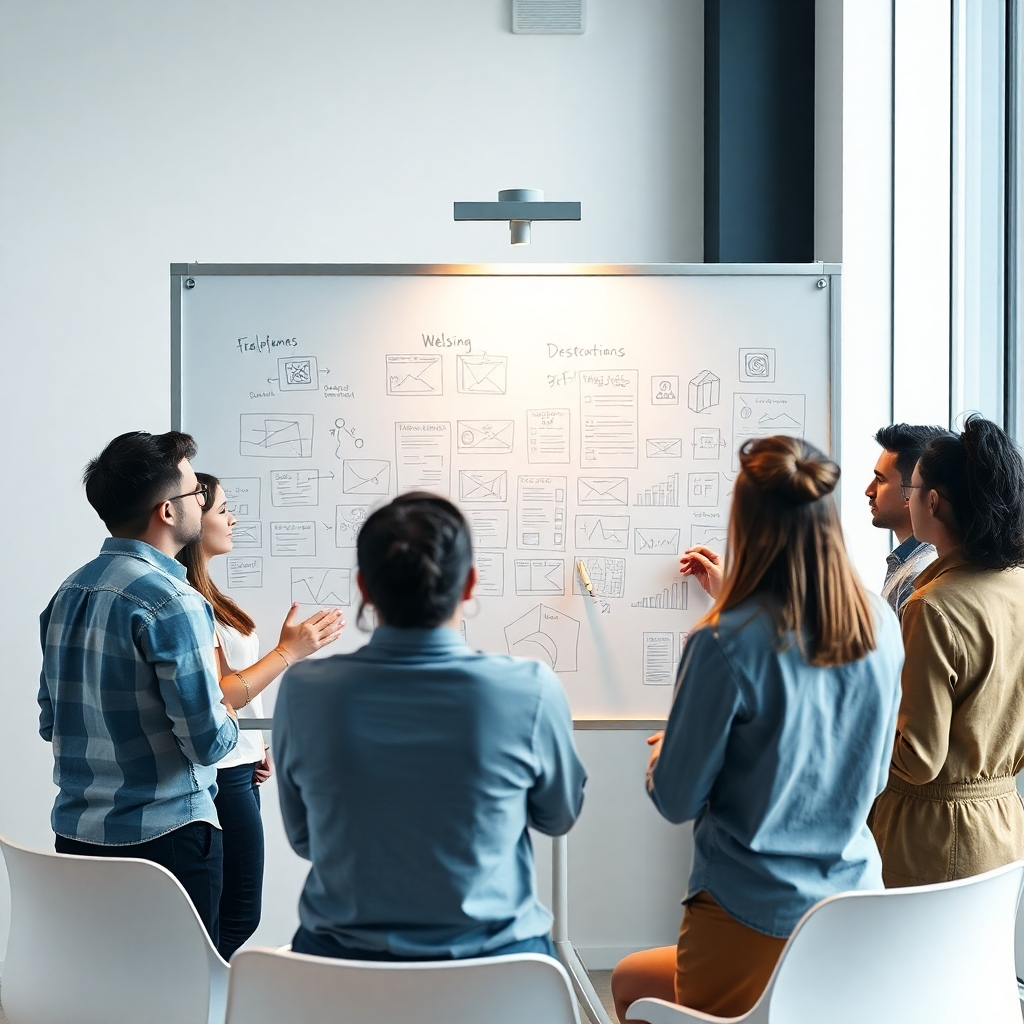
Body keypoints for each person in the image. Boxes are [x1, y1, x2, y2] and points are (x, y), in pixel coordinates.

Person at [610, 436, 903, 1021]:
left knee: (625, 982)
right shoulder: (880, 621)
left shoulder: (720, 641)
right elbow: (868, 779)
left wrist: (669, 747)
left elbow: (675, 797)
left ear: (742, 520)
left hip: (750, 919)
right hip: (853, 916)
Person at [274, 492, 587, 961]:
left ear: (364, 587)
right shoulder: (530, 688)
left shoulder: (303, 691)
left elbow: (305, 841)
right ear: (469, 584)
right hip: (500, 973)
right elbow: (558, 816)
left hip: (341, 976)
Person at [38, 431, 239, 944]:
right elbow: (207, 742)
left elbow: (49, 720)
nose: (201, 501)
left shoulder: (70, 590)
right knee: (184, 997)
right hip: (166, 840)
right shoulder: (173, 600)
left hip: (78, 836)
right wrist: (230, 715)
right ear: (167, 511)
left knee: (109, 990)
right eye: (196, 491)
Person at [177, 473, 345, 960]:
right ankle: (190, 995)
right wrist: (288, 652)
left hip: (239, 763)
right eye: (221, 510)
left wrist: (255, 743)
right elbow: (223, 695)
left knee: (233, 908)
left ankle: (193, 995)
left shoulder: (210, 596)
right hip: (220, 773)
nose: (232, 519)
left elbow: (229, 684)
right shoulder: (188, 602)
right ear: (190, 519)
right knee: (238, 911)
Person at [870, 415, 1024, 886]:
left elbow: (918, 760)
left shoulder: (932, 606)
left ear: (931, 501)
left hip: (930, 836)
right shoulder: (1016, 585)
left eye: (910, 489)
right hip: (1002, 824)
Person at [866, 423, 950, 613]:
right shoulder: (907, 563)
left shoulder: (919, 574)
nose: (869, 491)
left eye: (880, 480)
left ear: (911, 490)